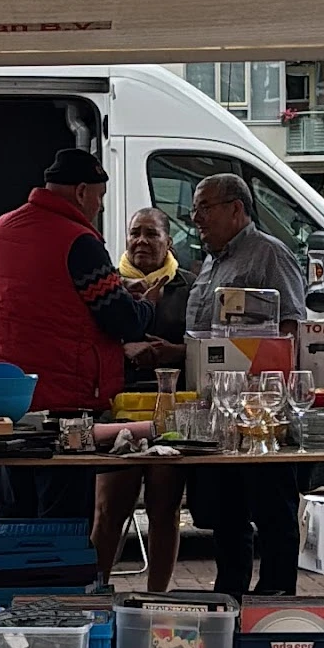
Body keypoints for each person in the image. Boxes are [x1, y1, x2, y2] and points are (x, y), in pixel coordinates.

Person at [0, 147, 155, 519]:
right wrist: (147, 304)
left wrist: (114, 284)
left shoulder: (3, 228)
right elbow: (123, 320)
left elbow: (49, 292)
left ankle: (14, 577)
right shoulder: (79, 241)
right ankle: (57, 577)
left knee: (14, 520)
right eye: (99, 197)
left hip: (10, 401)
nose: (100, 207)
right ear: (80, 192)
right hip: (65, 405)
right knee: (62, 526)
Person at [185, 171, 308, 596]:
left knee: (273, 511)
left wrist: (254, 369)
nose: (195, 217)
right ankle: (229, 598)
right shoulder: (211, 261)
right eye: (195, 208)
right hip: (217, 413)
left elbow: (292, 329)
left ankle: (275, 598)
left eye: (205, 207)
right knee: (225, 514)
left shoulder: (269, 255)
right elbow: (206, 336)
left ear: (236, 209)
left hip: (261, 413)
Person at [94, 202, 191, 588]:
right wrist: (123, 351)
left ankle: (157, 598)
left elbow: (206, 346)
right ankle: (97, 591)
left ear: (168, 241)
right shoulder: (108, 286)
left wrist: (173, 352)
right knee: (108, 509)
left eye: (152, 234)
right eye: (136, 233)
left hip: (172, 413)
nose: (142, 241)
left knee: (164, 510)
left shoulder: (190, 286)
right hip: (118, 413)